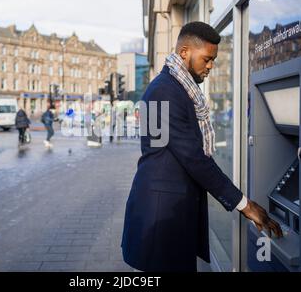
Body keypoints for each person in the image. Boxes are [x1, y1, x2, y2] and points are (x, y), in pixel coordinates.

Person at [121, 22, 283, 272]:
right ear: (184, 52)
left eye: (213, 60)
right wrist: (245, 205)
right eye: (207, 59)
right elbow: (194, 159)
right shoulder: (166, 91)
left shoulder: (171, 88)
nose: (210, 66)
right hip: (161, 215)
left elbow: (165, 150)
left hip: (164, 209)